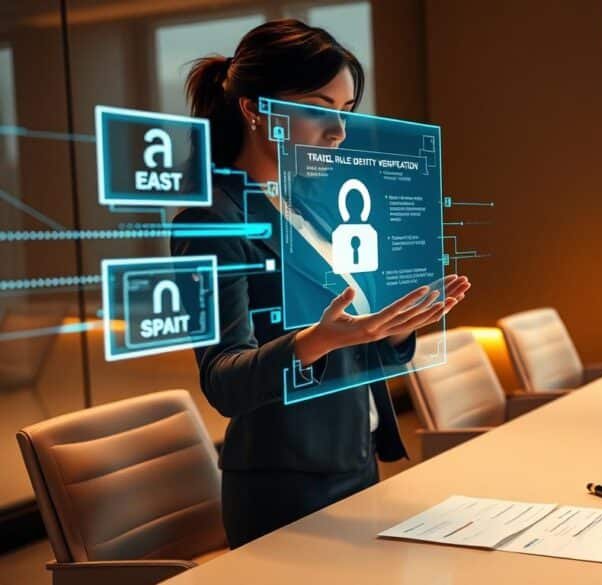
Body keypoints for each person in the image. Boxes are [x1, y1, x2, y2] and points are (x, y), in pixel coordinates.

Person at [172, 19, 471, 548]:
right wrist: (323, 337)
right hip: (283, 487)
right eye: (318, 107)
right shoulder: (212, 219)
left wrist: (396, 327)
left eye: (345, 111)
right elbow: (223, 381)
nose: (338, 132)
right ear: (254, 109)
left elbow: (361, 344)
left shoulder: (312, 209)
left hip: (356, 460)